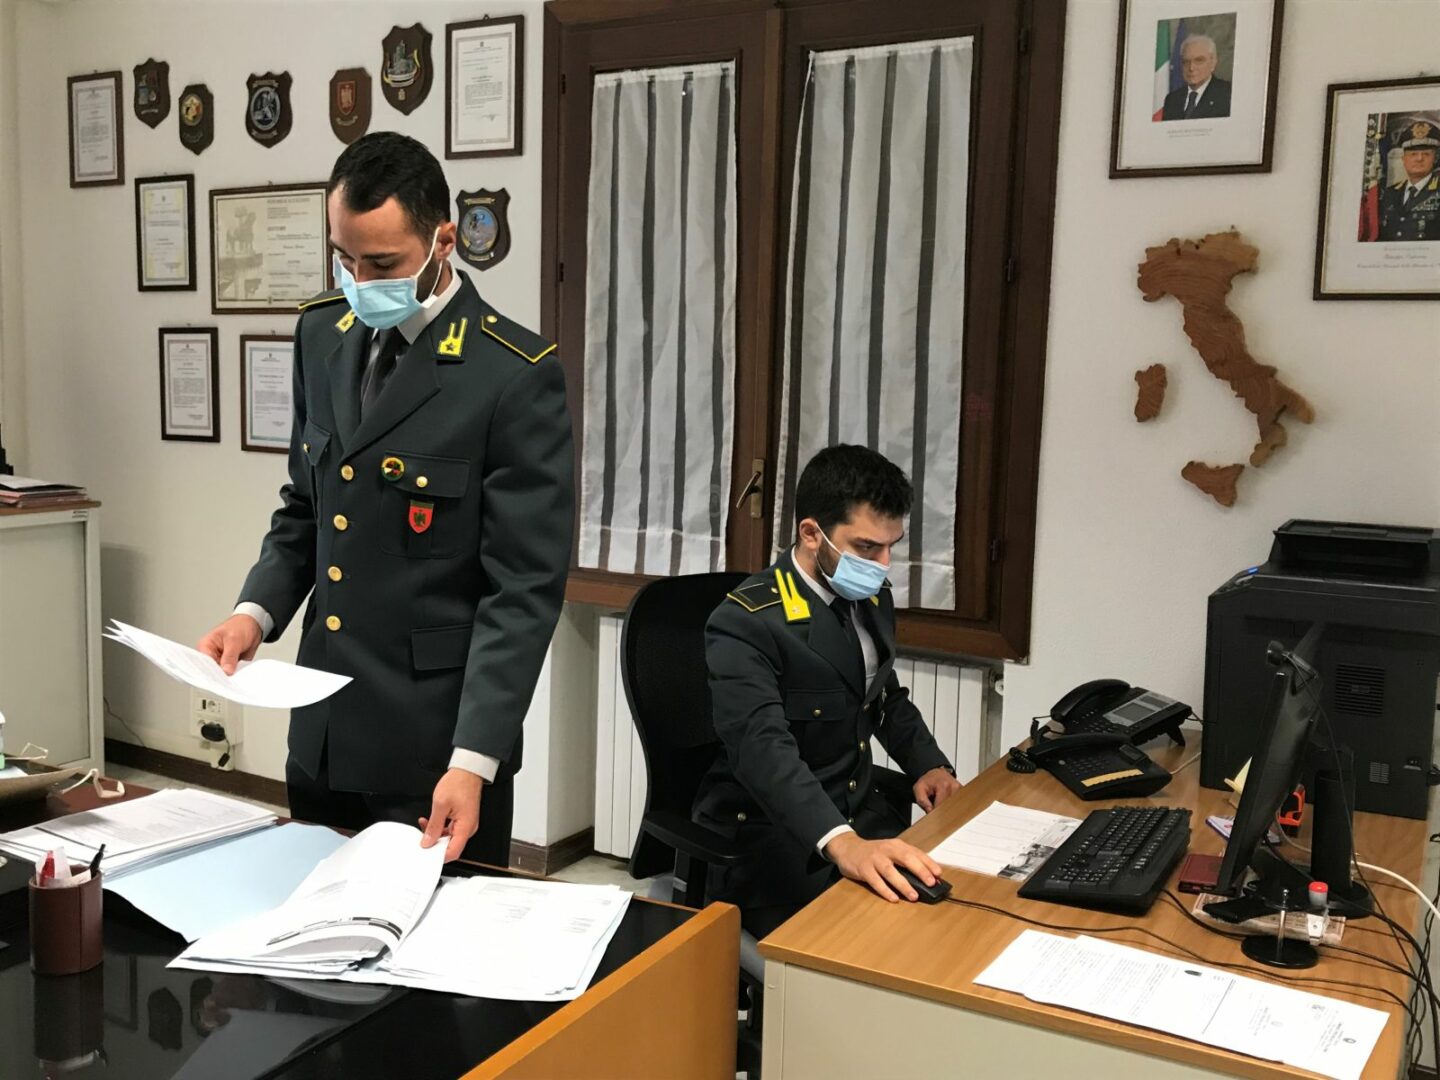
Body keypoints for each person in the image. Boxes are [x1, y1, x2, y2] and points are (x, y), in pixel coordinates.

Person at [198, 132, 574, 864]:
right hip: (323, 729)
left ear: (443, 242)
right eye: (344, 258)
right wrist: (254, 613)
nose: (359, 280)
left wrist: (474, 761)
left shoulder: (511, 374)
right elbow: (307, 505)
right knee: (309, 921)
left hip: (435, 749)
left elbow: (521, 593)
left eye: (382, 264)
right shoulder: (322, 334)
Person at [694, 445, 961, 938]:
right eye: (867, 548)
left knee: (954, 914)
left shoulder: (869, 597)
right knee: (879, 946)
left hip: (860, 813)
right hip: (776, 836)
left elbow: (883, 696)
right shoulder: (746, 622)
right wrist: (842, 842)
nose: (883, 564)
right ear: (812, 534)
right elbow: (761, 750)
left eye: (891, 547)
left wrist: (929, 765)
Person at [1379, 120, 1440, 242]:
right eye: (1413, 154)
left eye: (1426, 154)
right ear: (1403, 159)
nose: (1419, 158)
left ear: (1435, 158)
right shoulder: (1390, 194)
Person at [1160, 34, 1231, 121]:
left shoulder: (1227, 94)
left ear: (1213, 63)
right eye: (1186, 62)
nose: (1191, 68)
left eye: (1199, 60)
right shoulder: (1172, 99)